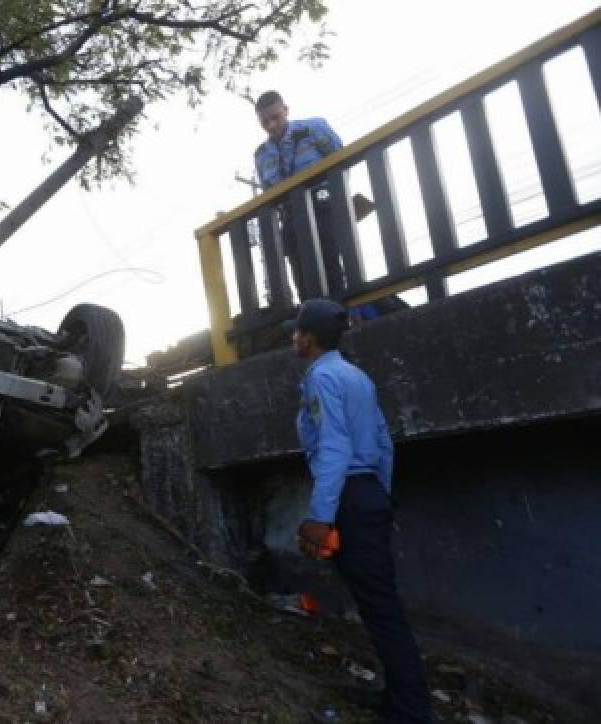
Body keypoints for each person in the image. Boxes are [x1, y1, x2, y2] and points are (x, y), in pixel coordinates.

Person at [288, 299, 432, 723]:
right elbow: (383, 441)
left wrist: (321, 515)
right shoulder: (356, 375)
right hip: (366, 492)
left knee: (380, 608)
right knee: (379, 604)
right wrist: (379, 496)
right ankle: (400, 699)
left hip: (350, 495)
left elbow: (334, 446)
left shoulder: (321, 378)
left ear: (308, 337)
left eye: (296, 332)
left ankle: (411, 711)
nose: (293, 338)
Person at [253, 90, 347, 298]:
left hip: (322, 207)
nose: (271, 126)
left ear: (286, 110)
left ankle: (344, 313)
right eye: (264, 121)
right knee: (302, 279)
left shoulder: (314, 128)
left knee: (332, 268)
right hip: (290, 219)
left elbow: (341, 160)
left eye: (275, 117)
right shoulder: (261, 155)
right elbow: (269, 195)